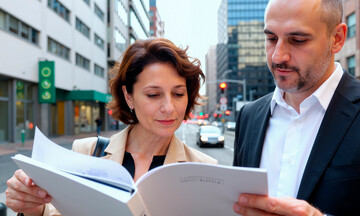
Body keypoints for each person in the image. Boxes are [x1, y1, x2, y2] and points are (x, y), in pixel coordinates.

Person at [6, 38, 217, 216]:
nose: (169, 107)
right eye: (154, 95)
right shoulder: (87, 152)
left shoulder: (205, 169)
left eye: (178, 94)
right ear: (128, 96)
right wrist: (33, 207)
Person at [232, 0, 360, 215]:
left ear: (337, 39)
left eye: (297, 40)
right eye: (271, 39)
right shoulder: (249, 117)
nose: (278, 56)